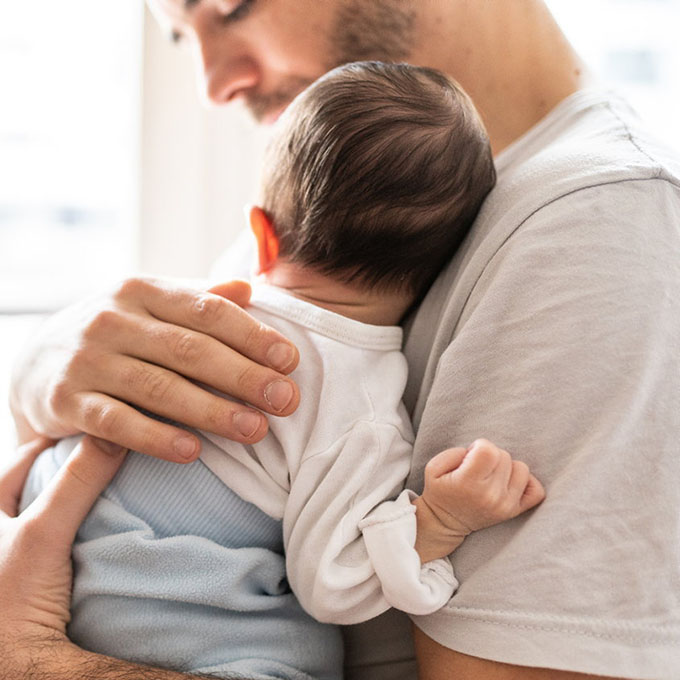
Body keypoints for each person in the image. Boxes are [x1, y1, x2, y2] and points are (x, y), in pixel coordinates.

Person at [4, 1, 680, 678]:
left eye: (229, 6)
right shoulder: (352, 206)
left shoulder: (600, 226)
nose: (212, 83)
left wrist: (30, 662)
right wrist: (44, 369)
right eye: (182, 39)